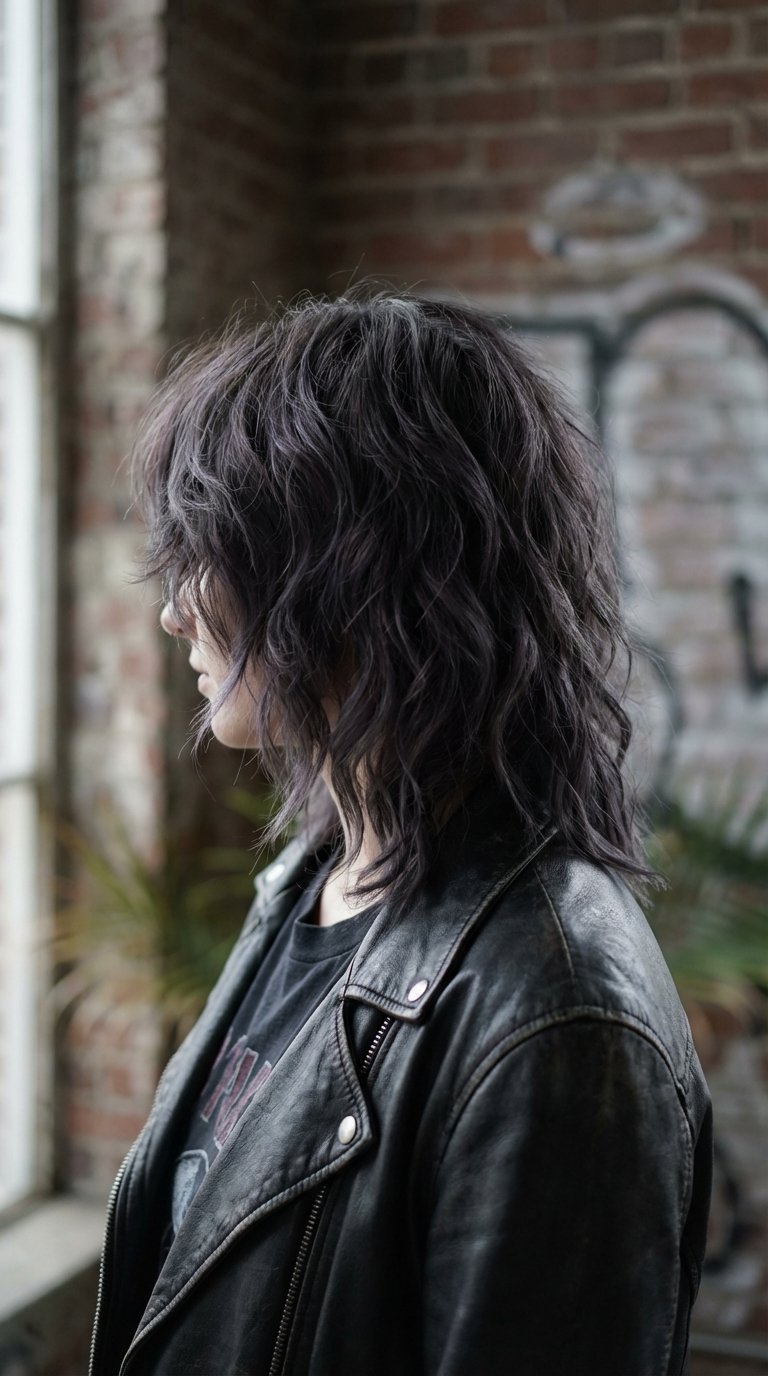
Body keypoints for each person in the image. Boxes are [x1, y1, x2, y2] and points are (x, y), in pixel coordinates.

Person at [89, 290, 712, 1376]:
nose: (174, 610)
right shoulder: (311, 877)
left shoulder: (558, 1016)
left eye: (216, 553)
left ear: (352, 573)